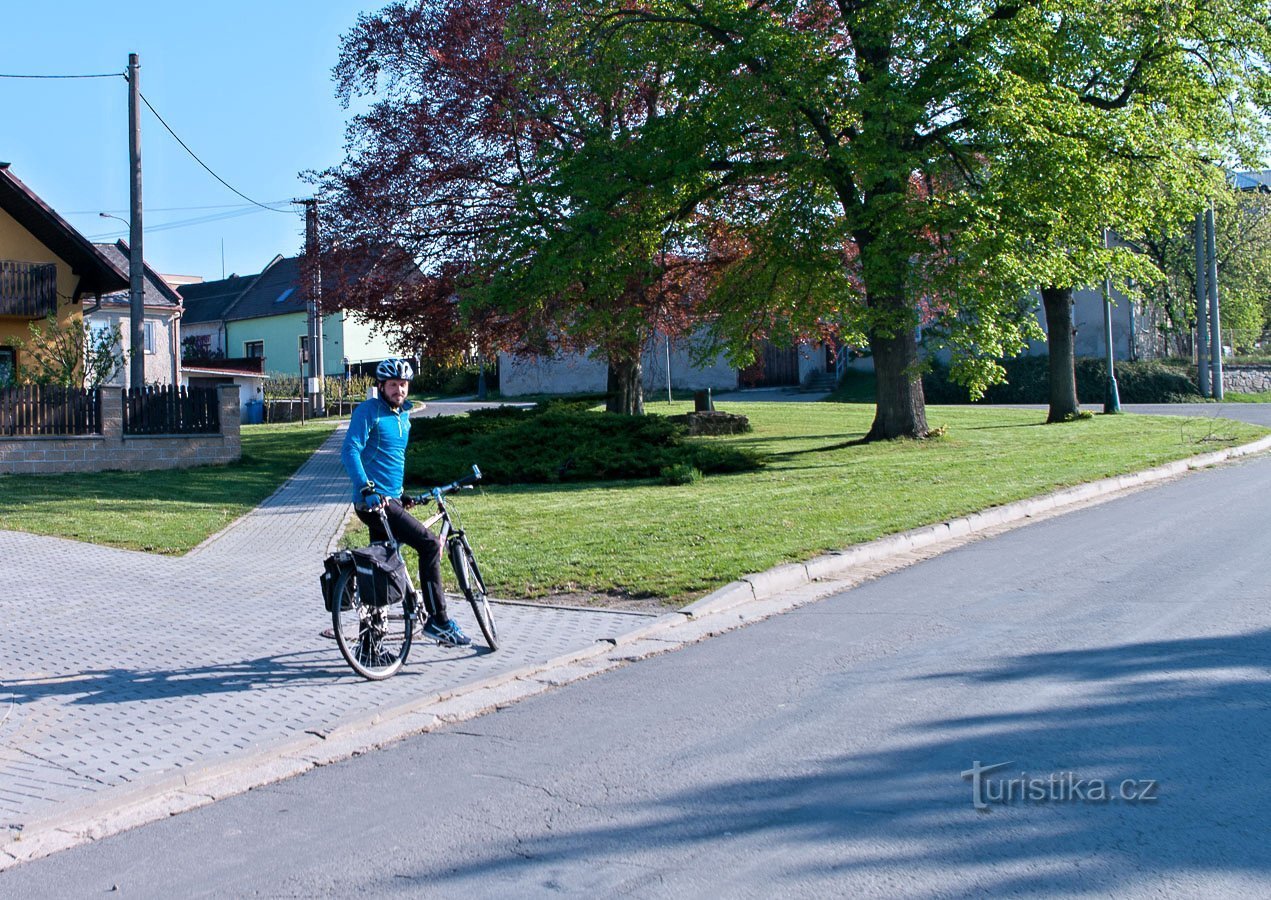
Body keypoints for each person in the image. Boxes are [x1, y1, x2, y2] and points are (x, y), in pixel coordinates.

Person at [341, 357, 471, 647]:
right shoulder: (369, 412)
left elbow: (390, 460)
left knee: (380, 567)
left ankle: (370, 643)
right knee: (427, 544)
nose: (399, 389)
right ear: (381, 386)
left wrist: (401, 496)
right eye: (392, 385)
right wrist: (366, 487)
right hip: (373, 502)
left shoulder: (404, 417)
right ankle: (438, 621)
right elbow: (350, 450)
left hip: (390, 500)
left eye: (403, 384)